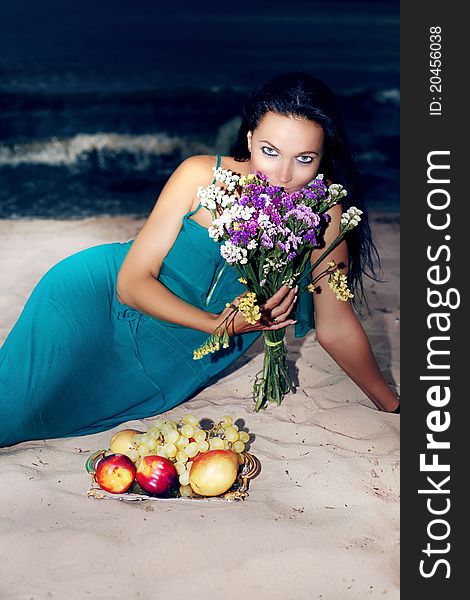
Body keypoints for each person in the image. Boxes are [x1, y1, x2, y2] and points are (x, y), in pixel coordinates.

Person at [0, 72, 399, 448]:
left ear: (324, 153)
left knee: (36, 419)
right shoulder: (200, 176)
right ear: (249, 138)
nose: (282, 174)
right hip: (94, 299)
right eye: (270, 151)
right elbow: (130, 283)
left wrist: (392, 405)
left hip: (172, 358)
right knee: (12, 406)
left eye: (304, 158)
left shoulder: (323, 211)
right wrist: (220, 324)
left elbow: (335, 326)